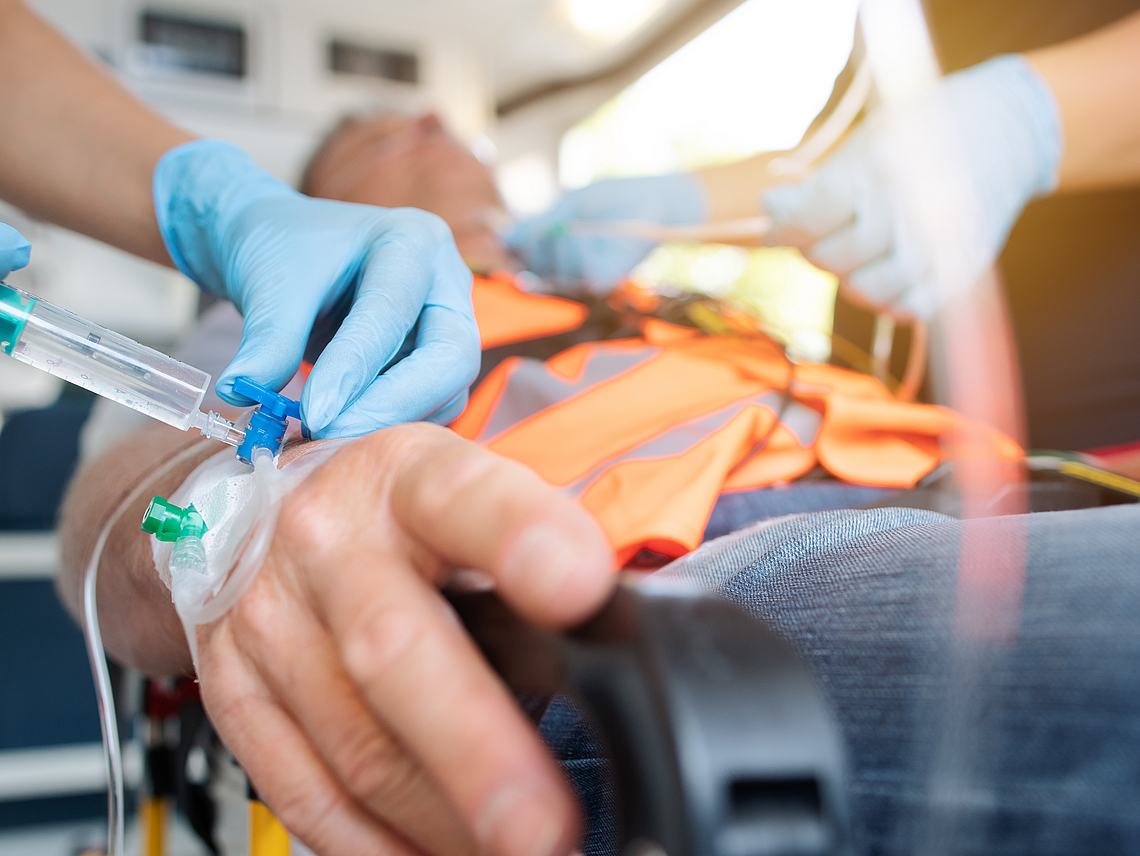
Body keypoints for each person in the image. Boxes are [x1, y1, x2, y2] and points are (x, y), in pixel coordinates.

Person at [58, 110, 1140, 856]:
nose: (432, 123)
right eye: (382, 133)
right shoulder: (290, 288)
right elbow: (105, 520)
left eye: (445, 120)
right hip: (697, 586)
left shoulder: (649, 286)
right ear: (322, 197)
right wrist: (239, 520)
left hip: (1026, 487)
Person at [509, 7, 1140, 464]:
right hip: (894, 445)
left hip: (1102, 452)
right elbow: (838, 168)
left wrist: (1028, 118)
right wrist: (679, 202)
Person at [0, 0, 479, 436]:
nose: (435, 123)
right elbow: (146, 470)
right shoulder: (264, 317)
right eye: (383, 143)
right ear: (325, 200)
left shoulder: (536, 281)